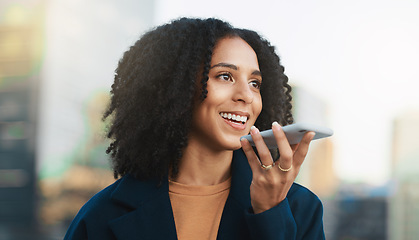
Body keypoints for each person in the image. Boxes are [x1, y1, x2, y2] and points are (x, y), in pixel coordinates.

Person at [64, 17, 325, 240]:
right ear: (175, 88)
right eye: (225, 76)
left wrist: (270, 215)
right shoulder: (101, 215)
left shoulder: (298, 208)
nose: (247, 95)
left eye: (255, 83)